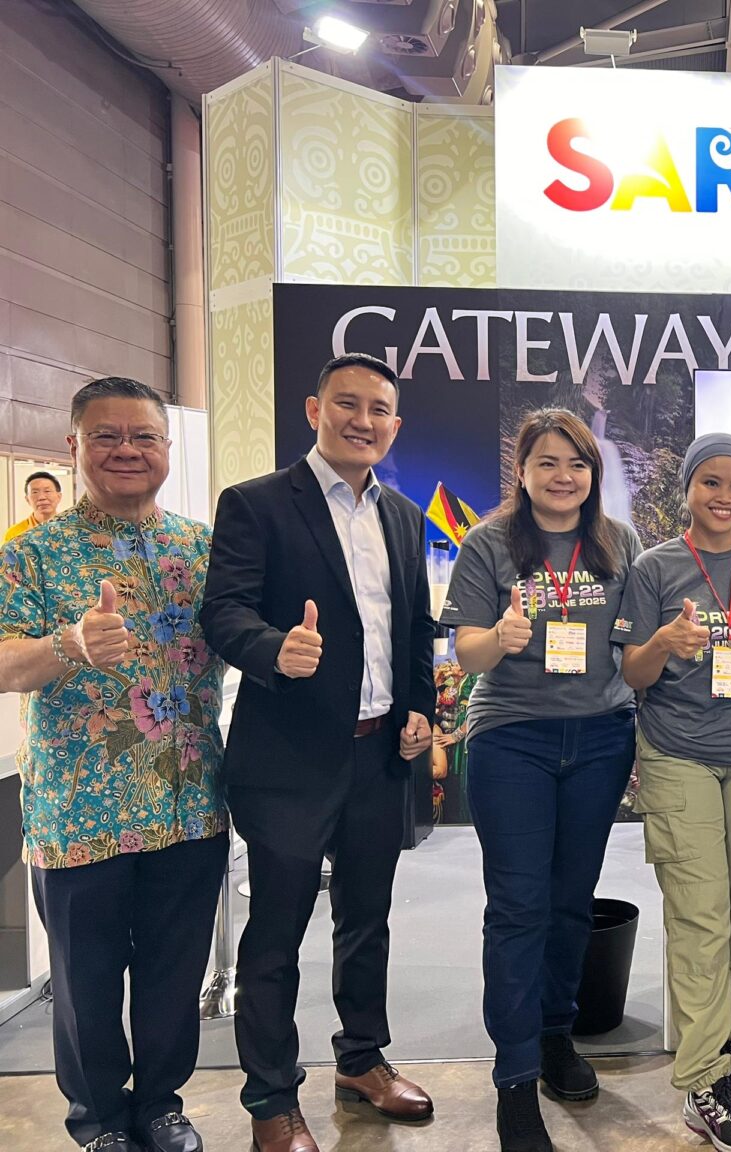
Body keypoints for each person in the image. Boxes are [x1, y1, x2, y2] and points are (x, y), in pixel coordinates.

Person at [200, 352, 435, 1152]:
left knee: (367, 921)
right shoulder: (257, 503)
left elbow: (414, 629)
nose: (363, 420)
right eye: (347, 404)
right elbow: (223, 612)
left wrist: (418, 711)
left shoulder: (403, 516)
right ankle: (271, 1097)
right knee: (276, 935)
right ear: (313, 410)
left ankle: (361, 1061)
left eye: (379, 409)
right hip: (288, 762)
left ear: (395, 424)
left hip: (378, 758)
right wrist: (274, 649)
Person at [0, 377, 227, 1152]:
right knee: (86, 981)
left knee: (173, 972)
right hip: (79, 812)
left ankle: (162, 1104)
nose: (127, 450)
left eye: (143, 436)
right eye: (107, 436)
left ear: (167, 448)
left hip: (190, 803)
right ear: (74, 447)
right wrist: (66, 644)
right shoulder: (31, 555)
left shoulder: (203, 548)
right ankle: (99, 1120)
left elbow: (245, 637)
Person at [439, 409, 643, 1152]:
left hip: (600, 739)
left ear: (594, 473)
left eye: (577, 464)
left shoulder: (619, 543)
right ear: (521, 472)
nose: (563, 477)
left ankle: (557, 1034)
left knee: (569, 904)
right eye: (547, 463)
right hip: (513, 740)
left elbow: (635, 648)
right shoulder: (489, 543)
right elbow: (465, 653)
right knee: (518, 908)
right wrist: (499, 637)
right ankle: (515, 1076)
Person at [613, 434, 731, 1152]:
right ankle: (703, 1082)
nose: (724, 497)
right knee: (701, 921)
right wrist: (664, 643)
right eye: (711, 483)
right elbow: (633, 673)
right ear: (687, 487)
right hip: (679, 758)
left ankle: (717, 1055)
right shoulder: (655, 566)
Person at [6, 469, 64, 541]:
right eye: (35, 492)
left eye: (47, 491)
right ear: (27, 499)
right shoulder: (14, 534)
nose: (42, 497)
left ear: (59, 496)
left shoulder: (70, 528)